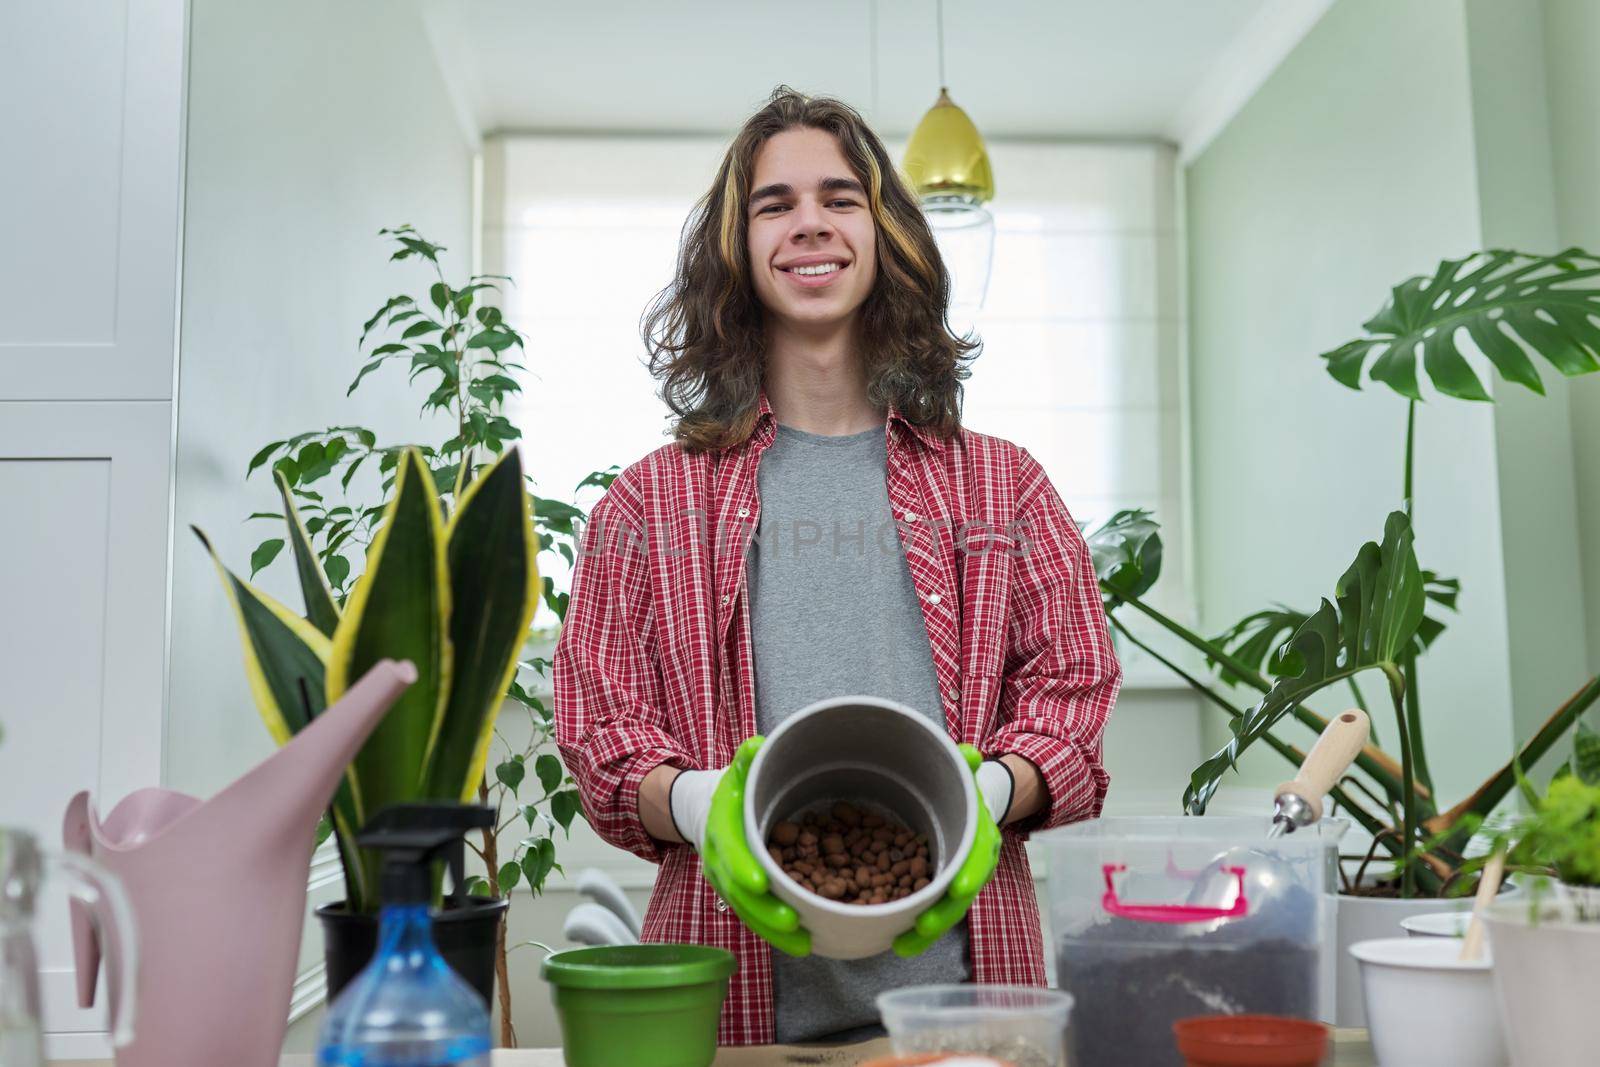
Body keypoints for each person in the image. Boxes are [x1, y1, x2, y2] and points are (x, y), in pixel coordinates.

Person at [553, 85, 1121, 1047]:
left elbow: (1075, 694)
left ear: (885, 231)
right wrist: (695, 804)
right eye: (774, 204)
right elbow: (600, 727)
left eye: (839, 197)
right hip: (732, 1017)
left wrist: (987, 792)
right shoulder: (645, 506)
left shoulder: (1005, 486)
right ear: (737, 246)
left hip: (970, 1017)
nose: (807, 223)